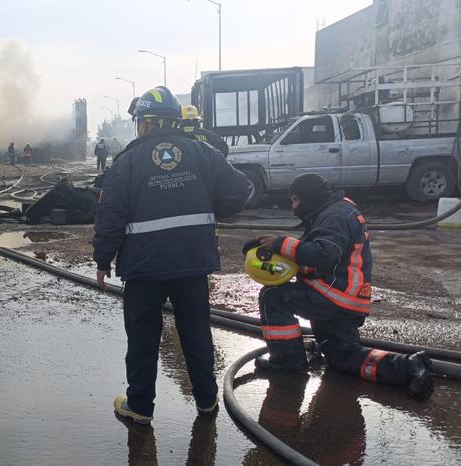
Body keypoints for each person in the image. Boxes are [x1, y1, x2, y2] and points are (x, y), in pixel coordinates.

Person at [94, 86, 249, 424]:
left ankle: (140, 406)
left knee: (143, 338)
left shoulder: (128, 162)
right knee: (196, 333)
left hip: (144, 267)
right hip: (191, 263)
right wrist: (208, 207)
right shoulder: (202, 153)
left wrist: (102, 259)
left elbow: (110, 215)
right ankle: (207, 402)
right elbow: (240, 190)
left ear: (146, 123)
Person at [250, 173, 434, 400]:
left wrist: (281, 243)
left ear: (308, 197)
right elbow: (319, 254)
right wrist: (274, 249)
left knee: (272, 296)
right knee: (342, 357)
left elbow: (324, 254)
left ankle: (287, 362)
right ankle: (409, 367)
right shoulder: (336, 209)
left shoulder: (333, 215)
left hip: (333, 295)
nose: (294, 207)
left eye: (296, 200)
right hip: (346, 298)